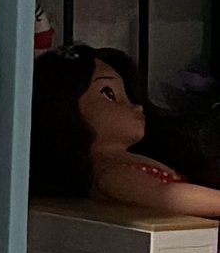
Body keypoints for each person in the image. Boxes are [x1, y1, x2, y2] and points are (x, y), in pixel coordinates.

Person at [31, 44, 220, 218]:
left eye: (126, 95)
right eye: (109, 93)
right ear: (64, 108)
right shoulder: (112, 176)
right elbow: (169, 196)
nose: (137, 106)